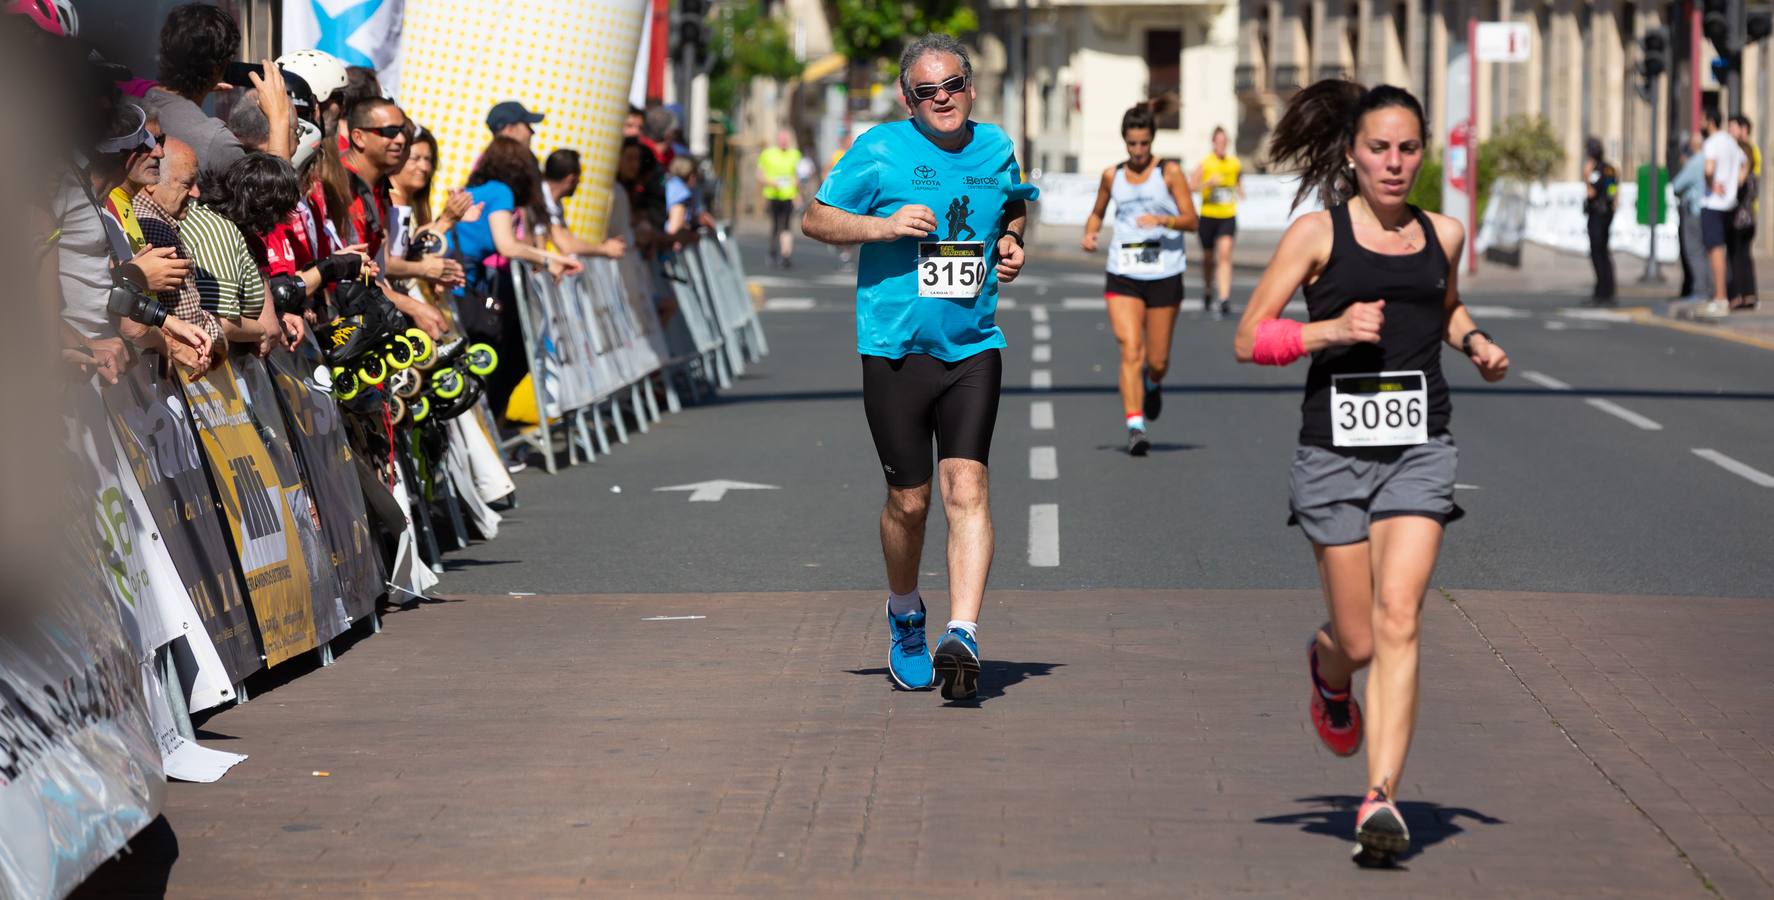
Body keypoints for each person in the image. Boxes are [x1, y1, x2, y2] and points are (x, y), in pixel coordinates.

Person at [1232, 79, 1509, 866]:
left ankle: (1380, 796)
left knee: (1399, 618)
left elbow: (1440, 305)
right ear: (1351, 155)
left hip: (1422, 449)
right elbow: (1249, 340)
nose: (1394, 163)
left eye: (1408, 149)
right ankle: (1327, 674)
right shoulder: (1316, 236)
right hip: (1332, 453)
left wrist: (1476, 339)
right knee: (1355, 637)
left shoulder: (1444, 233)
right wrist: (1329, 329)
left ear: (1424, 154)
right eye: (1379, 149)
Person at [801, 33, 1029, 701]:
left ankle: (963, 633)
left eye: (952, 85)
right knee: (911, 501)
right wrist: (884, 226)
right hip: (896, 348)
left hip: (973, 344)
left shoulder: (997, 146)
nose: (942, 99)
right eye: (927, 92)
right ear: (909, 98)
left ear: (970, 85)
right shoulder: (878, 150)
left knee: (968, 489)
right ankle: (905, 614)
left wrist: (1012, 241)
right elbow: (817, 219)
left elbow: (1011, 203)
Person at [1080, 97, 1199, 455]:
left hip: (1165, 273)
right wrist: (1090, 233)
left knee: (1157, 360)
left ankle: (1153, 382)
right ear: (1124, 141)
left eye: (1144, 143)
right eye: (1132, 144)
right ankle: (1135, 425)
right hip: (1124, 273)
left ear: (1152, 140)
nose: (1138, 150)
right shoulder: (1111, 175)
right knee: (1131, 349)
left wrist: (1164, 220)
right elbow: (1097, 213)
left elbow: (1192, 220)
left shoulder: (1169, 173)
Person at [449, 136, 584, 417]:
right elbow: (507, 245)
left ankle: (491, 423)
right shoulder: (501, 192)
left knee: (493, 353)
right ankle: (492, 424)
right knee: (508, 355)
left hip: (462, 284)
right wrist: (551, 259)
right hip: (465, 287)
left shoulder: (480, 188)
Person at [138, 3, 293, 173]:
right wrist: (279, 120)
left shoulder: (137, 109)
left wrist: (198, 91)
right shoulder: (216, 141)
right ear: (218, 68)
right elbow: (270, 197)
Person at [339, 97, 447, 337]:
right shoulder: (343, 186)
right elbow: (352, 274)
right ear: (358, 137)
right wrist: (413, 306)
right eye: (389, 132)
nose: (400, 140)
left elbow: (379, 267)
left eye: (402, 132)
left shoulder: (379, 188)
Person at [1191, 125, 1243, 319]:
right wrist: (1208, 184)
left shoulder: (1234, 163)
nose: (1221, 145)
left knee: (1225, 255)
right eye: (1218, 142)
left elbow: (1238, 180)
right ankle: (1207, 289)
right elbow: (1191, 186)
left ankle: (1224, 298)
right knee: (1208, 258)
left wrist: (1240, 190)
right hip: (1208, 216)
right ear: (1213, 143)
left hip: (1227, 215)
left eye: (1224, 142)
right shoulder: (1206, 164)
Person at [1700, 109, 1746, 319]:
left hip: (1714, 203)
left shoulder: (1712, 143)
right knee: (1725, 251)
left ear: (1711, 121)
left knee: (1715, 251)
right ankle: (1723, 295)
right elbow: (1745, 162)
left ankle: (1720, 298)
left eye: (1703, 118)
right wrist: (1736, 183)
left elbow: (1709, 170)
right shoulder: (1730, 142)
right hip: (1729, 203)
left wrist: (1712, 185)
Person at [540, 148, 627, 258]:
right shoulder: (540, 200)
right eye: (579, 178)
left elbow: (568, 238)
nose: (579, 182)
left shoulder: (555, 203)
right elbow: (566, 245)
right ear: (570, 179)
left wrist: (603, 246)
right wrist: (605, 249)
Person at [1669, 132, 1711, 302]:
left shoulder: (1695, 162)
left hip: (1693, 211)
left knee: (1694, 252)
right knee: (1704, 252)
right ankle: (1706, 288)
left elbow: (1676, 185)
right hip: (1706, 210)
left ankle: (1700, 290)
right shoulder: (1708, 160)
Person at [1726, 114, 1759, 311]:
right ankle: (1749, 294)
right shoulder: (1751, 150)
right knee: (1744, 255)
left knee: (1737, 255)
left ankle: (1739, 295)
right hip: (1749, 215)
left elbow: (1740, 182)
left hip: (1740, 215)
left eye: (1732, 127)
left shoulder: (1746, 152)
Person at [1581, 136, 1618, 306]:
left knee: (1598, 253)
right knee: (1604, 252)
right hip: (1607, 213)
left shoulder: (1595, 170)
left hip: (1597, 214)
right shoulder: (1610, 169)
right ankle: (1607, 290)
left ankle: (1602, 292)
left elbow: (1591, 193)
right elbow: (1613, 191)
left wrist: (1586, 176)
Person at [758, 128, 802, 268]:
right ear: (777, 140)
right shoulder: (767, 154)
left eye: (786, 139)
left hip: (788, 195)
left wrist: (798, 190)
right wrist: (770, 182)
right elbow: (759, 175)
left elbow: (799, 174)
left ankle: (786, 255)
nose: (783, 142)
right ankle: (772, 252)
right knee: (775, 225)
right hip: (772, 194)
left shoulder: (795, 154)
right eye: (781, 139)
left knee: (787, 226)